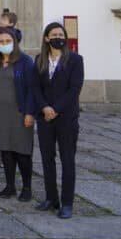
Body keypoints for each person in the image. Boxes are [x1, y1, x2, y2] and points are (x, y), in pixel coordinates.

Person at [32, 22, 85, 219]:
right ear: (47, 38)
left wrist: (55, 108)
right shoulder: (40, 60)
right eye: (53, 34)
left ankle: (67, 202)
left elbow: (74, 88)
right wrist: (45, 107)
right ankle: (51, 198)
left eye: (61, 34)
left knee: (67, 160)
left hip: (66, 118)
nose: (58, 37)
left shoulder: (75, 60)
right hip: (45, 117)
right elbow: (35, 87)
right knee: (47, 159)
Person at [0, 27, 35, 202]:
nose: (4, 44)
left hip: (20, 112)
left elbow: (32, 89)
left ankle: (27, 187)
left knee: (22, 151)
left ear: (14, 42)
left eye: (7, 41)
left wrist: (30, 112)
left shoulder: (25, 61)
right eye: (0, 41)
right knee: (6, 150)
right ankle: (10, 185)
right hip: (0, 112)